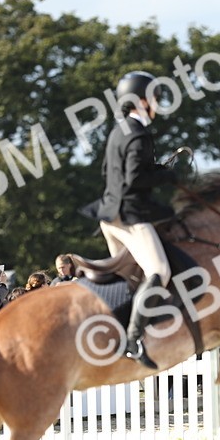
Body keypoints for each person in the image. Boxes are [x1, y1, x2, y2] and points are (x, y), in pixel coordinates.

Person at [78, 70, 178, 369]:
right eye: (155, 98)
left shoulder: (119, 130)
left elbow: (113, 173)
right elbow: (135, 177)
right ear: (142, 101)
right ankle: (134, 339)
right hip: (129, 216)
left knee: (130, 278)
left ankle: (116, 329)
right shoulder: (138, 133)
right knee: (159, 270)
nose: (158, 104)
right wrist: (165, 174)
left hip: (108, 215)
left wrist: (157, 168)